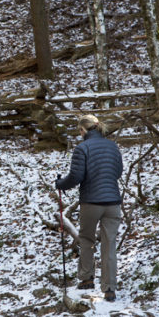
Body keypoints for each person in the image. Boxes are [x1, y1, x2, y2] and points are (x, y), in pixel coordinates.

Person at [56, 114, 123, 301]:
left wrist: (60, 184)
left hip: (91, 202)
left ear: (82, 130)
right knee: (109, 244)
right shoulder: (113, 146)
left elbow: (76, 177)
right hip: (113, 202)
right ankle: (109, 289)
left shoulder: (82, 148)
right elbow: (118, 172)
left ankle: (86, 279)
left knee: (87, 239)